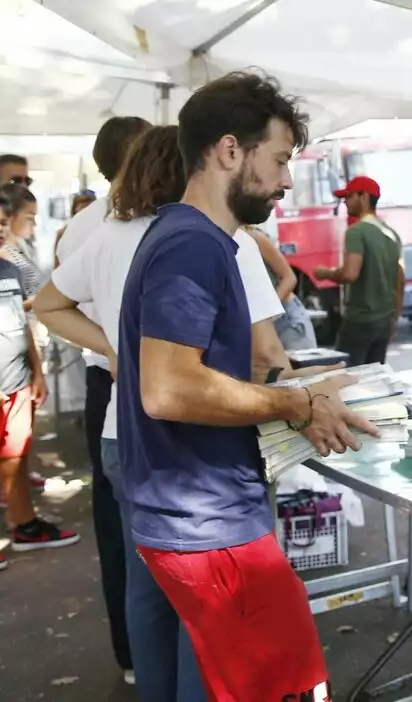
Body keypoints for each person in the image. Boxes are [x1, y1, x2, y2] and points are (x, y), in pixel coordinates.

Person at [116, 71, 373, 700]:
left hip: (192, 513)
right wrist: (292, 403)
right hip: (210, 524)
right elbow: (168, 389)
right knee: (285, 685)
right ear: (230, 150)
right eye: (281, 159)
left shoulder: (195, 240)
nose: (287, 180)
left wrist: (300, 387)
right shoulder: (193, 246)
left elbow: (203, 372)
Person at [49, 114, 150, 686]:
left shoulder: (83, 227)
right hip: (117, 382)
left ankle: (134, 654)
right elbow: (52, 303)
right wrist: (116, 348)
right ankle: (145, 653)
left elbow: (57, 306)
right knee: (135, 519)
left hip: (105, 381)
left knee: (118, 521)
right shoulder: (110, 224)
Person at [0, 190, 77, 575]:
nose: (1, 231)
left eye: (2, 223)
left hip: (15, 383)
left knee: (14, 458)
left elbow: (22, 323)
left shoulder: (10, 268)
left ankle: (24, 525)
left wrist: (36, 371)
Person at [314, 175, 404, 365]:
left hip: (360, 320)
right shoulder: (390, 233)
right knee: (374, 378)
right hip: (385, 319)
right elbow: (400, 279)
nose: (345, 202)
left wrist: (325, 273)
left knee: (346, 376)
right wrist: (395, 316)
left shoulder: (356, 231)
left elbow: (349, 273)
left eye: (349, 196)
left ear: (364, 197)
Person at [244, 224, 318, 351]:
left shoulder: (254, 238)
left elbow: (289, 278)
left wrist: (267, 314)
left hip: (285, 319)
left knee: (302, 368)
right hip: (258, 324)